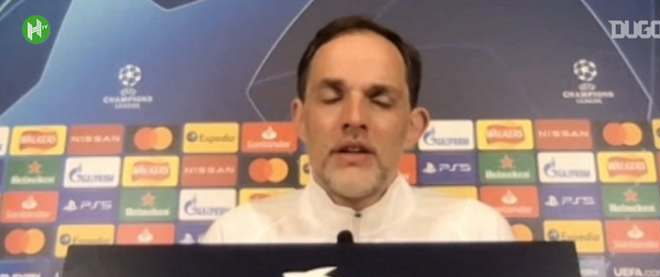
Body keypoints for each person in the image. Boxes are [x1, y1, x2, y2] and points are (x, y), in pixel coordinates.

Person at [202, 16, 513, 243]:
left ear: (413, 127)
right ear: (300, 120)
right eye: (331, 98)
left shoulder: (478, 234)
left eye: (380, 100)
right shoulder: (236, 237)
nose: (354, 118)